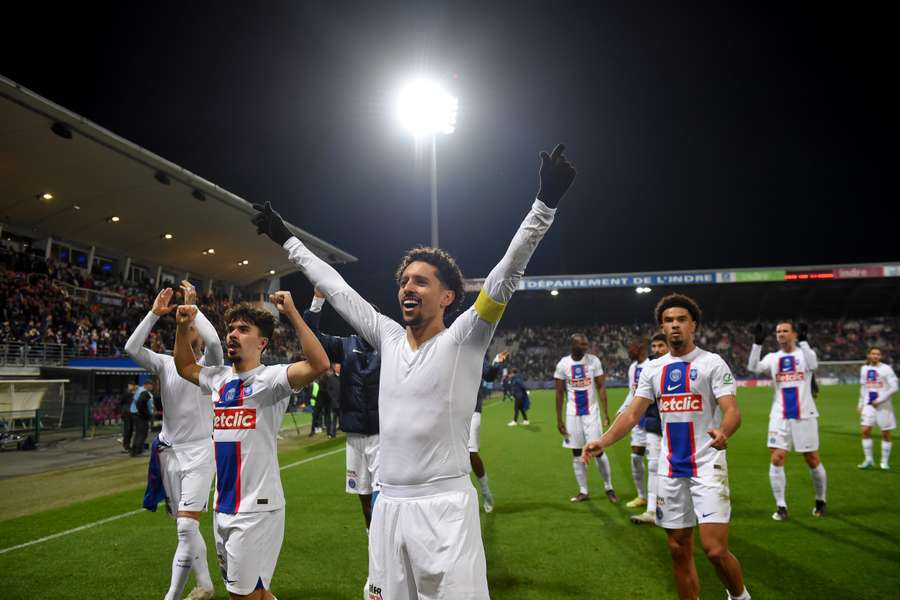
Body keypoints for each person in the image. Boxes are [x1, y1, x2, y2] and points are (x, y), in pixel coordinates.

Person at [252, 142, 575, 599]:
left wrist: (544, 204)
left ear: (447, 296)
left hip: (444, 509)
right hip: (389, 507)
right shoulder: (385, 335)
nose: (407, 286)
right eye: (403, 280)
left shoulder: (465, 337)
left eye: (420, 280)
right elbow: (336, 288)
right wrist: (287, 239)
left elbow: (508, 270)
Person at [583, 293, 750, 600]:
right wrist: (602, 441)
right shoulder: (653, 369)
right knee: (677, 548)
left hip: (708, 465)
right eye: (669, 321)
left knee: (714, 550)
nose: (675, 326)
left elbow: (732, 410)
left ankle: (739, 596)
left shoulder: (712, 363)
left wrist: (724, 431)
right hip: (670, 469)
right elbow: (632, 413)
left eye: (681, 320)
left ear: (694, 326)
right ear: (662, 326)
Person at [173, 293, 329, 600]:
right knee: (258, 593)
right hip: (224, 507)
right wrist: (181, 328)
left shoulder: (272, 380)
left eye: (243, 329)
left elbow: (319, 363)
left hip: (257, 509)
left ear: (262, 343)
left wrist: (294, 314)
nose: (232, 334)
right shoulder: (218, 379)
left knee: (240, 595)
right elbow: (184, 366)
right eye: (231, 328)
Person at [125, 282, 223, 600]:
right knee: (186, 528)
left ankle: (174, 595)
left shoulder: (210, 367)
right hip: (169, 454)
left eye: (193, 325)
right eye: (186, 323)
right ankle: (203, 585)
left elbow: (215, 343)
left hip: (199, 454)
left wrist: (195, 309)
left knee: (185, 528)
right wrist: (154, 314)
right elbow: (131, 349)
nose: (189, 326)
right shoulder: (165, 364)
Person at [303, 289, 381, 529]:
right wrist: (317, 301)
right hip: (354, 435)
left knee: (382, 497)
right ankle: (372, 539)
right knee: (364, 496)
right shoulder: (346, 345)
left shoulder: (391, 345)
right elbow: (312, 337)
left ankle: (383, 543)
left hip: (383, 435)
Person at [747, 321, 827, 519]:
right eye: (778, 332)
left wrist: (805, 341)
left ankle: (821, 500)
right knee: (777, 457)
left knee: (812, 459)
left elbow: (814, 364)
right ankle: (781, 507)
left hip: (804, 415)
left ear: (794, 334)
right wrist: (757, 343)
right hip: (779, 415)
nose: (781, 334)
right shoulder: (773, 357)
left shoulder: (803, 355)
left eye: (785, 331)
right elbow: (753, 367)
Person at [555, 333, 617, 503]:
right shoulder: (563, 364)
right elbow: (559, 393)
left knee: (597, 450)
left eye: (586, 344)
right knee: (576, 452)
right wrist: (559, 420)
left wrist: (605, 413)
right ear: (572, 345)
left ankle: (609, 487)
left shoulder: (594, 361)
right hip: (572, 414)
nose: (585, 347)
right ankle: (583, 491)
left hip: (591, 412)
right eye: (581, 344)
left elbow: (601, 386)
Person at [630, 333, 668, 524]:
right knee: (653, 465)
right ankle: (652, 511)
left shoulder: (681, 365)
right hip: (653, 424)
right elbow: (637, 397)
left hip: (677, 426)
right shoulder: (649, 368)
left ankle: (684, 507)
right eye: (654, 346)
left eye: (661, 345)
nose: (657, 350)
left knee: (677, 467)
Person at [470, 351, 508, 513]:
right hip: (449, 411)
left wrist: (496, 364)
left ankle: (486, 493)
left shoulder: (475, 353)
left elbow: (489, 375)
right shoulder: (448, 350)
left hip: (472, 410)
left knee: (471, 453)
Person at [857, 346, 897, 470]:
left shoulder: (886, 369)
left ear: (880, 356)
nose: (876, 356)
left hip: (883, 406)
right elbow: (864, 387)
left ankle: (884, 462)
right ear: (869, 355)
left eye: (878, 354)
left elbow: (895, 387)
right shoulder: (864, 369)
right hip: (869, 405)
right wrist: (860, 403)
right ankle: (869, 460)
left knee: (886, 433)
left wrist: (880, 400)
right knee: (865, 431)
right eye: (873, 354)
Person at [131, 380, 155, 457]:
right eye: (151, 385)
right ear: (146, 385)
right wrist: (145, 413)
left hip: (138, 414)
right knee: (141, 433)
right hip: (141, 415)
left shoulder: (141, 390)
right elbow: (139, 402)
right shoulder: (143, 392)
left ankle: (137, 449)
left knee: (140, 433)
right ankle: (137, 451)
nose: (152, 387)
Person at [120, 380, 138, 453]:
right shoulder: (126, 393)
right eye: (131, 385)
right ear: (128, 385)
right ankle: (126, 445)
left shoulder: (135, 393)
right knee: (127, 429)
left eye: (133, 385)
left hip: (132, 413)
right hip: (126, 413)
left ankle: (128, 445)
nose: (132, 387)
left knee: (130, 429)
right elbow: (121, 401)